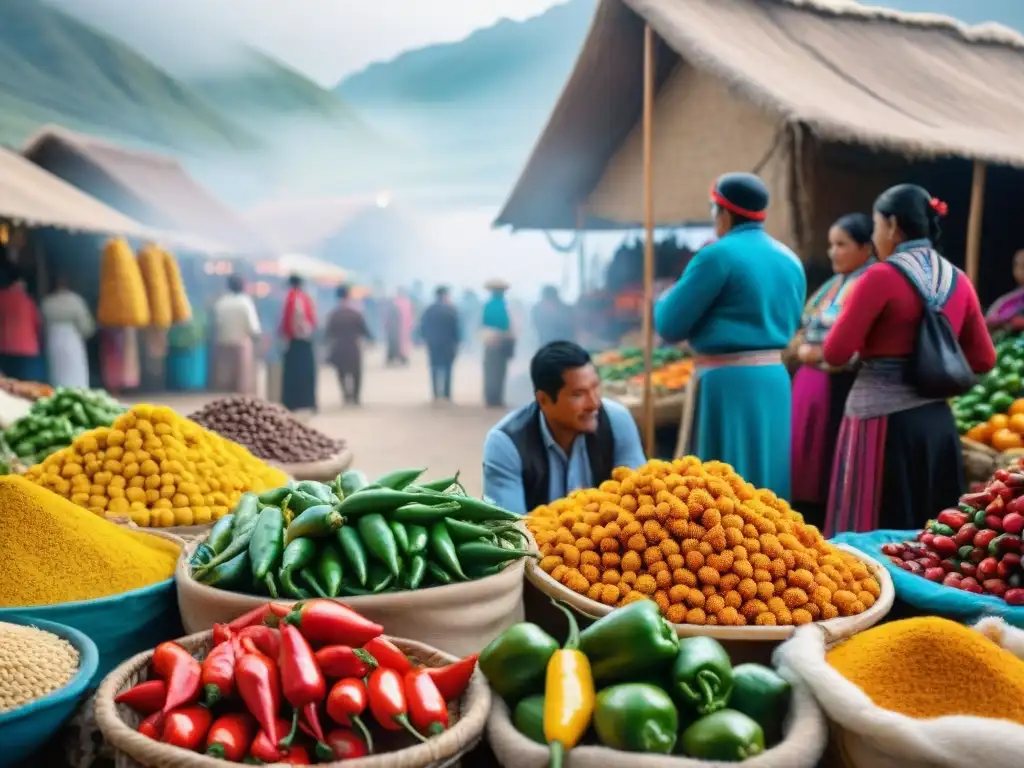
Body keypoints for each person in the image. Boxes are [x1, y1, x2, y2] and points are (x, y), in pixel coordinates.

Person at [823, 184, 996, 535]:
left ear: (891, 225)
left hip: (881, 424)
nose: (873, 237)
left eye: (874, 226)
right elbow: (984, 358)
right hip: (936, 424)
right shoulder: (957, 279)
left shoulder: (880, 277)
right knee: (933, 537)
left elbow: (835, 353)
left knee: (876, 537)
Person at [654, 172, 805, 498]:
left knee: (723, 491)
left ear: (722, 213)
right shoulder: (790, 259)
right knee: (767, 480)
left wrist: (662, 297)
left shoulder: (716, 255)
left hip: (727, 384)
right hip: (774, 380)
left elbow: (669, 323)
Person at [483, 341, 646, 513]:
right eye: (578, 394)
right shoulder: (506, 443)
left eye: (595, 387)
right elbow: (509, 531)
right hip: (536, 539)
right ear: (543, 400)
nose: (594, 403)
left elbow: (639, 499)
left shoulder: (616, 421)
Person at [789, 214, 875, 529]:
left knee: (825, 458)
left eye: (842, 244)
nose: (833, 252)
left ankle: (821, 519)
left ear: (866, 247)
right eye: (831, 245)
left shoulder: (867, 283)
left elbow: (855, 347)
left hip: (837, 383)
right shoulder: (833, 284)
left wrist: (817, 355)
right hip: (809, 383)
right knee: (803, 456)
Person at [40, 275, 95, 389]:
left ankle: (59, 393)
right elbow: (85, 324)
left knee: (57, 370)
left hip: (53, 338)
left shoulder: (47, 302)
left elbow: (41, 323)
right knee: (75, 370)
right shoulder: (76, 300)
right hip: (72, 338)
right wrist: (87, 334)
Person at [211, 275, 260, 394]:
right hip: (241, 343)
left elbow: (216, 324)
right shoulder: (245, 302)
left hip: (223, 342)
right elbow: (253, 326)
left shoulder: (221, 302)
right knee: (242, 379)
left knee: (225, 378)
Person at [324, 284, 372, 406]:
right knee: (356, 373)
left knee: (341, 372)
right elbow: (365, 330)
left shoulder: (334, 315)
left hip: (339, 347)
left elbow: (328, 333)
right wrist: (371, 339)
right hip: (353, 346)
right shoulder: (355, 313)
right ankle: (355, 396)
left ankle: (345, 395)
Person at [279, 274, 318, 412]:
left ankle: (293, 403)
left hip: (296, 340)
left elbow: (293, 319)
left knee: (293, 373)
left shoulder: (292, 297)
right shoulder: (303, 297)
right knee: (306, 373)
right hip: (303, 340)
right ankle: (307, 402)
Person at [0, 263, 42, 381]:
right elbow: (37, 324)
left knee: (8, 387)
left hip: (5, 348)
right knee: (27, 385)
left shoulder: (2, 298)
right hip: (27, 349)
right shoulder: (29, 301)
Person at [419, 286, 461, 402]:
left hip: (433, 343)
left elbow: (423, 326)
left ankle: (435, 394)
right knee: (448, 368)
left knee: (434, 368)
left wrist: (424, 338)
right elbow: (456, 329)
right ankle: (447, 394)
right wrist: (457, 342)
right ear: (445, 295)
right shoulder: (451, 310)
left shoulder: (429, 310)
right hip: (448, 344)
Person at [482, 280, 514, 408]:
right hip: (502, 341)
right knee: (500, 371)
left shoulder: (488, 305)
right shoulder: (505, 306)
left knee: (490, 370)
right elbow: (507, 325)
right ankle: (497, 398)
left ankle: (490, 398)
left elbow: (484, 322)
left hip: (489, 341)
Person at [985, 248, 1024, 331]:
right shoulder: (1009, 300)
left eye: (1022, 265)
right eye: (1017, 265)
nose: (1020, 271)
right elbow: (991, 319)